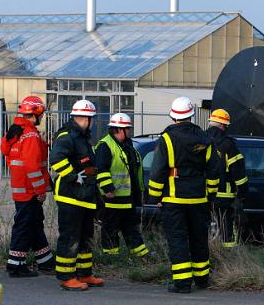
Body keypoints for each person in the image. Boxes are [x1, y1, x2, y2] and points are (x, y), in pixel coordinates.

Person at [147, 96, 220, 294]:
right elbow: (214, 169)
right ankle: (202, 279)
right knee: (199, 238)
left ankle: (182, 283)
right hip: (199, 198)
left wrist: (155, 197)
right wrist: (210, 194)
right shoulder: (205, 138)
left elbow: (158, 171)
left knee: (178, 239)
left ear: (173, 117)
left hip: (173, 199)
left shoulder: (167, 139)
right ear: (191, 115)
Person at [49, 99, 104, 291]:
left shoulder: (81, 137)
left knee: (85, 237)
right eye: (91, 119)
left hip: (84, 196)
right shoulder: (67, 136)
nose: (93, 123)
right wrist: (73, 176)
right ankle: (66, 277)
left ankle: (85, 274)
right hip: (70, 196)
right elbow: (56, 159)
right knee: (70, 237)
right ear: (83, 118)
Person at [0, 96, 54, 277]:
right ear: (36, 113)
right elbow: (32, 166)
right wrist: (40, 190)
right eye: (42, 114)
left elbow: (8, 155)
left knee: (35, 224)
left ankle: (45, 261)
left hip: (21, 188)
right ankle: (15, 266)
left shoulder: (16, 131)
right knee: (24, 227)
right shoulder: (30, 135)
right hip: (30, 190)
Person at [95, 113, 151, 259]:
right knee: (110, 230)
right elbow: (101, 169)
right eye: (127, 129)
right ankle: (111, 259)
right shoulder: (105, 145)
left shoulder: (128, 146)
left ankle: (141, 256)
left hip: (128, 198)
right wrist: (108, 189)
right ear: (119, 129)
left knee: (131, 229)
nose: (129, 132)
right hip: (113, 198)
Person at [206, 109, 248, 248]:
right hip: (224, 195)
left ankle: (209, 252)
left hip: (202, 194)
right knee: (226, 227)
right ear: (223, 125)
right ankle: (228, 255)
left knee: (205, 225)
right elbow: (239, 173)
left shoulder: (201, 141)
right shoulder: (228, 145)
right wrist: (243, 193)